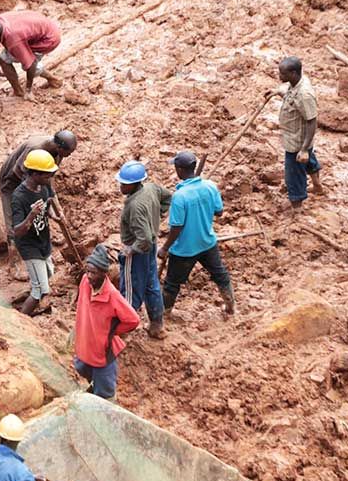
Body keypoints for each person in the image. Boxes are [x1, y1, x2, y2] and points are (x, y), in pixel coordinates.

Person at [158, 151, 234, 317]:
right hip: (207, 242)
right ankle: (230, 305)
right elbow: (219, 212)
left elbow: (176, 228)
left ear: (179, 169)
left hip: (185, 249)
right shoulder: (210, 186)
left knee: (171, 284)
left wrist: (164, 248)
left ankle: (164, 314)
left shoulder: (179, 196)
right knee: (220, 274)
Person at [0, 132, 77, 274]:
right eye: (69, 152)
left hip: (32, 181)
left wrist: (57, 209)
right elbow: (20, 175)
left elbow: (48, 180)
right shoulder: (35, 149)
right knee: (15, 220)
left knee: (37, 216)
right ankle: (14, 262)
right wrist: (33, 199)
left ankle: (37, 251)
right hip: (12, 180)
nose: (69, 155)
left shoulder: (57, 154)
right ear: (60, 147)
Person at [73, 245, 140, 399]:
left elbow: (133, 320)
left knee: (105, 390)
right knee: (81, 366)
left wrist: (112, 331)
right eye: (87, 271)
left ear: (104, 274)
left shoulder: (112, 296)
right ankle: (94, 386)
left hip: (101, 350)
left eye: (93, 273)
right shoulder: (85, 282)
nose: (89, 276)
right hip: (85, 341)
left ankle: (105, 406)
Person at [116, 161, 170, 339]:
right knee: (151, 285)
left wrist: (132, 250)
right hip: (152, 246)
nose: (121, 186)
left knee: (131, 291)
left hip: (139, 250)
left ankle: (122, 331)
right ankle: (157, 326)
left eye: (124, 183)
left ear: (134, 184)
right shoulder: (151, 188)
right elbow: (168, 197)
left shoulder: (135, 206)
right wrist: (157, 215)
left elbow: (144, 238)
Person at [11, 150, 61, 317]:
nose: (49, 179)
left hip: (43, 241)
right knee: (40, 290)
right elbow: (17, 230)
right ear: (34, 174)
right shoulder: (19, 197)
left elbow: (48, 207)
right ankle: (21, 321)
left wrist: (55, 216)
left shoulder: (44, 186)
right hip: (29, 246)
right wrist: (31, 216)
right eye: (46, 175)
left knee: (48, 275)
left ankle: (26, 300)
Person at [277, 56, 322, 208]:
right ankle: (317, 186)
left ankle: (297, 206)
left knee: (293, 175)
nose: (280, 76)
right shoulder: (297, 83)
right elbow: (292, 98)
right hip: (300, 137)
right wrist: (277, 92)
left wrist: (303, 149)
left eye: (283, 74)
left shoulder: (304, 95)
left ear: (294, 73)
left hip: (297, 141)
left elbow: (312, 121)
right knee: (309, 160)